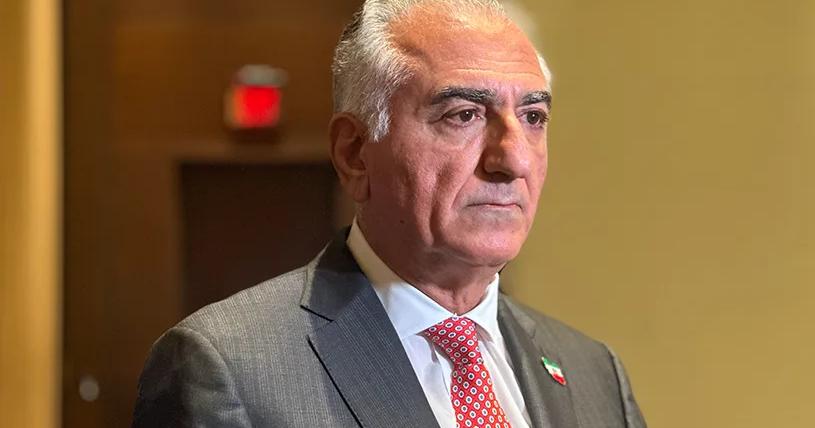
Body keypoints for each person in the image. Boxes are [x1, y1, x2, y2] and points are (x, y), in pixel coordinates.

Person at [132, 1, 646, 427]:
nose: (512, 160)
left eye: (533, 117)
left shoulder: (595, 374)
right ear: (355, 152)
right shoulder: (228, 369)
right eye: (464, 115)